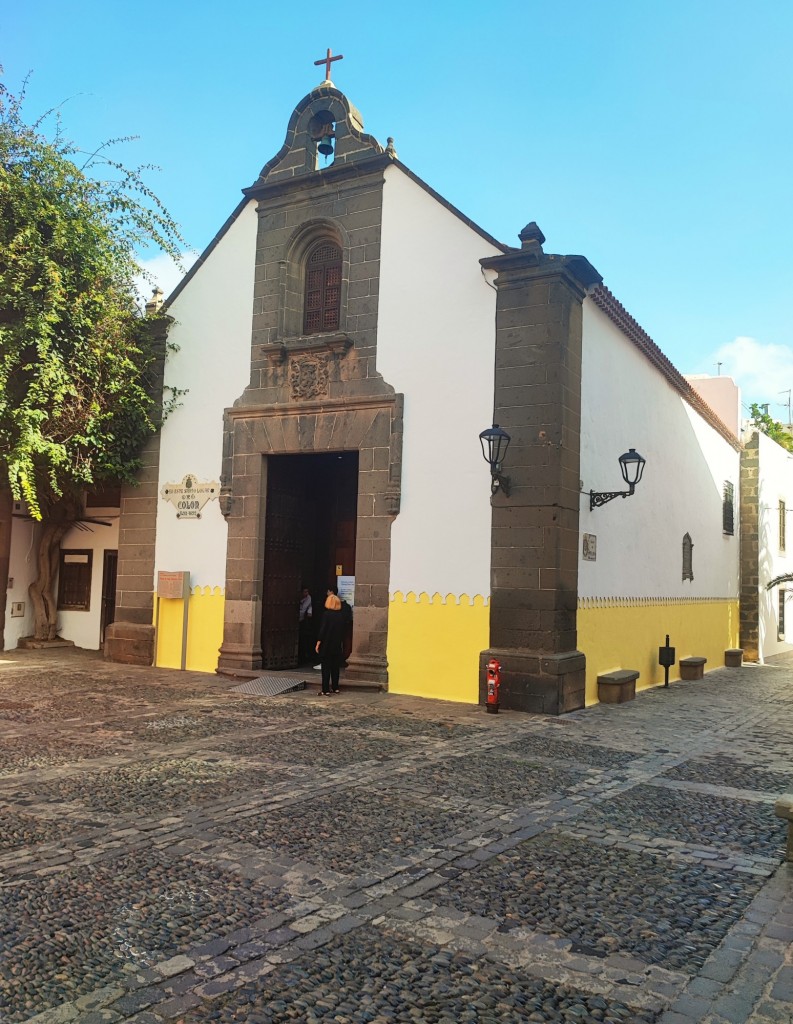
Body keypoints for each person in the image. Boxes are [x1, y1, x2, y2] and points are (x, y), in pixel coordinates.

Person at [315, 592, 344, 694]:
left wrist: (318, 642)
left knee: (326, 668)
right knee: (335, 668)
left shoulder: (326, 615)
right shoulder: (340, 616)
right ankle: (335, 687)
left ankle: (325, 689)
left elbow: (323, 630)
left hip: (327, 644)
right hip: (336, 645)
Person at [298, 585, 312, 663]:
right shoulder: (297, 596)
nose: (306, 593)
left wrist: (310, 612)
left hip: (302, 619)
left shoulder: (308, 598)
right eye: (305, 592)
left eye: (307, 592)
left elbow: (309, 605)